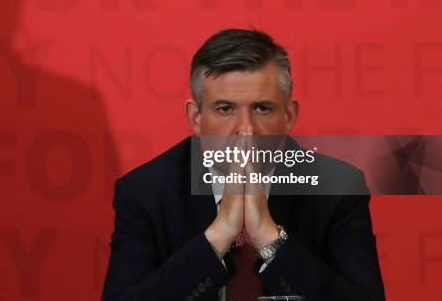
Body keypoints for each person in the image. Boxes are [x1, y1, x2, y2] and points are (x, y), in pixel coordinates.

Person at [102, 29, 385, 300]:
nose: (246, 129)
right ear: (196, 118)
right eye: (225, 109)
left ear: (288, 116)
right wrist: (218, 235)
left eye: (262, 108)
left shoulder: (337, 187)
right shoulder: (146, 191)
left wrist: (269, 238)